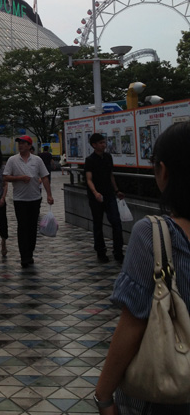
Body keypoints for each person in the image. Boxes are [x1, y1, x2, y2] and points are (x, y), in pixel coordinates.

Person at [94, 122, 190, 414]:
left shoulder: (154, 233)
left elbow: (133, 322)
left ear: (163, 170)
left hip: (169, 390)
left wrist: (103, 395)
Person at [3, 135, 54, 267]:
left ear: (30, 146)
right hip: (19, 199)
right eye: (19, 143)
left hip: (35, 198)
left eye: (24, 143)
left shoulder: (37, 160)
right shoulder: (12, 160)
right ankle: (24, 256)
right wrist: (20, 178)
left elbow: (45, 177)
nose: (21, 145)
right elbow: (5, 177)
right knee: (22, 227)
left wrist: (49, 194)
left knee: (32, 228)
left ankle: (29, 252)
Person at [84, 133, 124, 263]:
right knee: (98, 223)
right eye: (101, 143)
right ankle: (101, 251)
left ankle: (118, 251)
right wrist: (95, 193)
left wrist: (117, 190)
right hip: (96, 197)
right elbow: (89, 179)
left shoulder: (108, 157)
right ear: (94, 145)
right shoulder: (90, 160)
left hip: (109, 195)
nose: (104, 145)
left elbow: (111, 175)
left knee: (116, 222)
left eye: (104, 142)